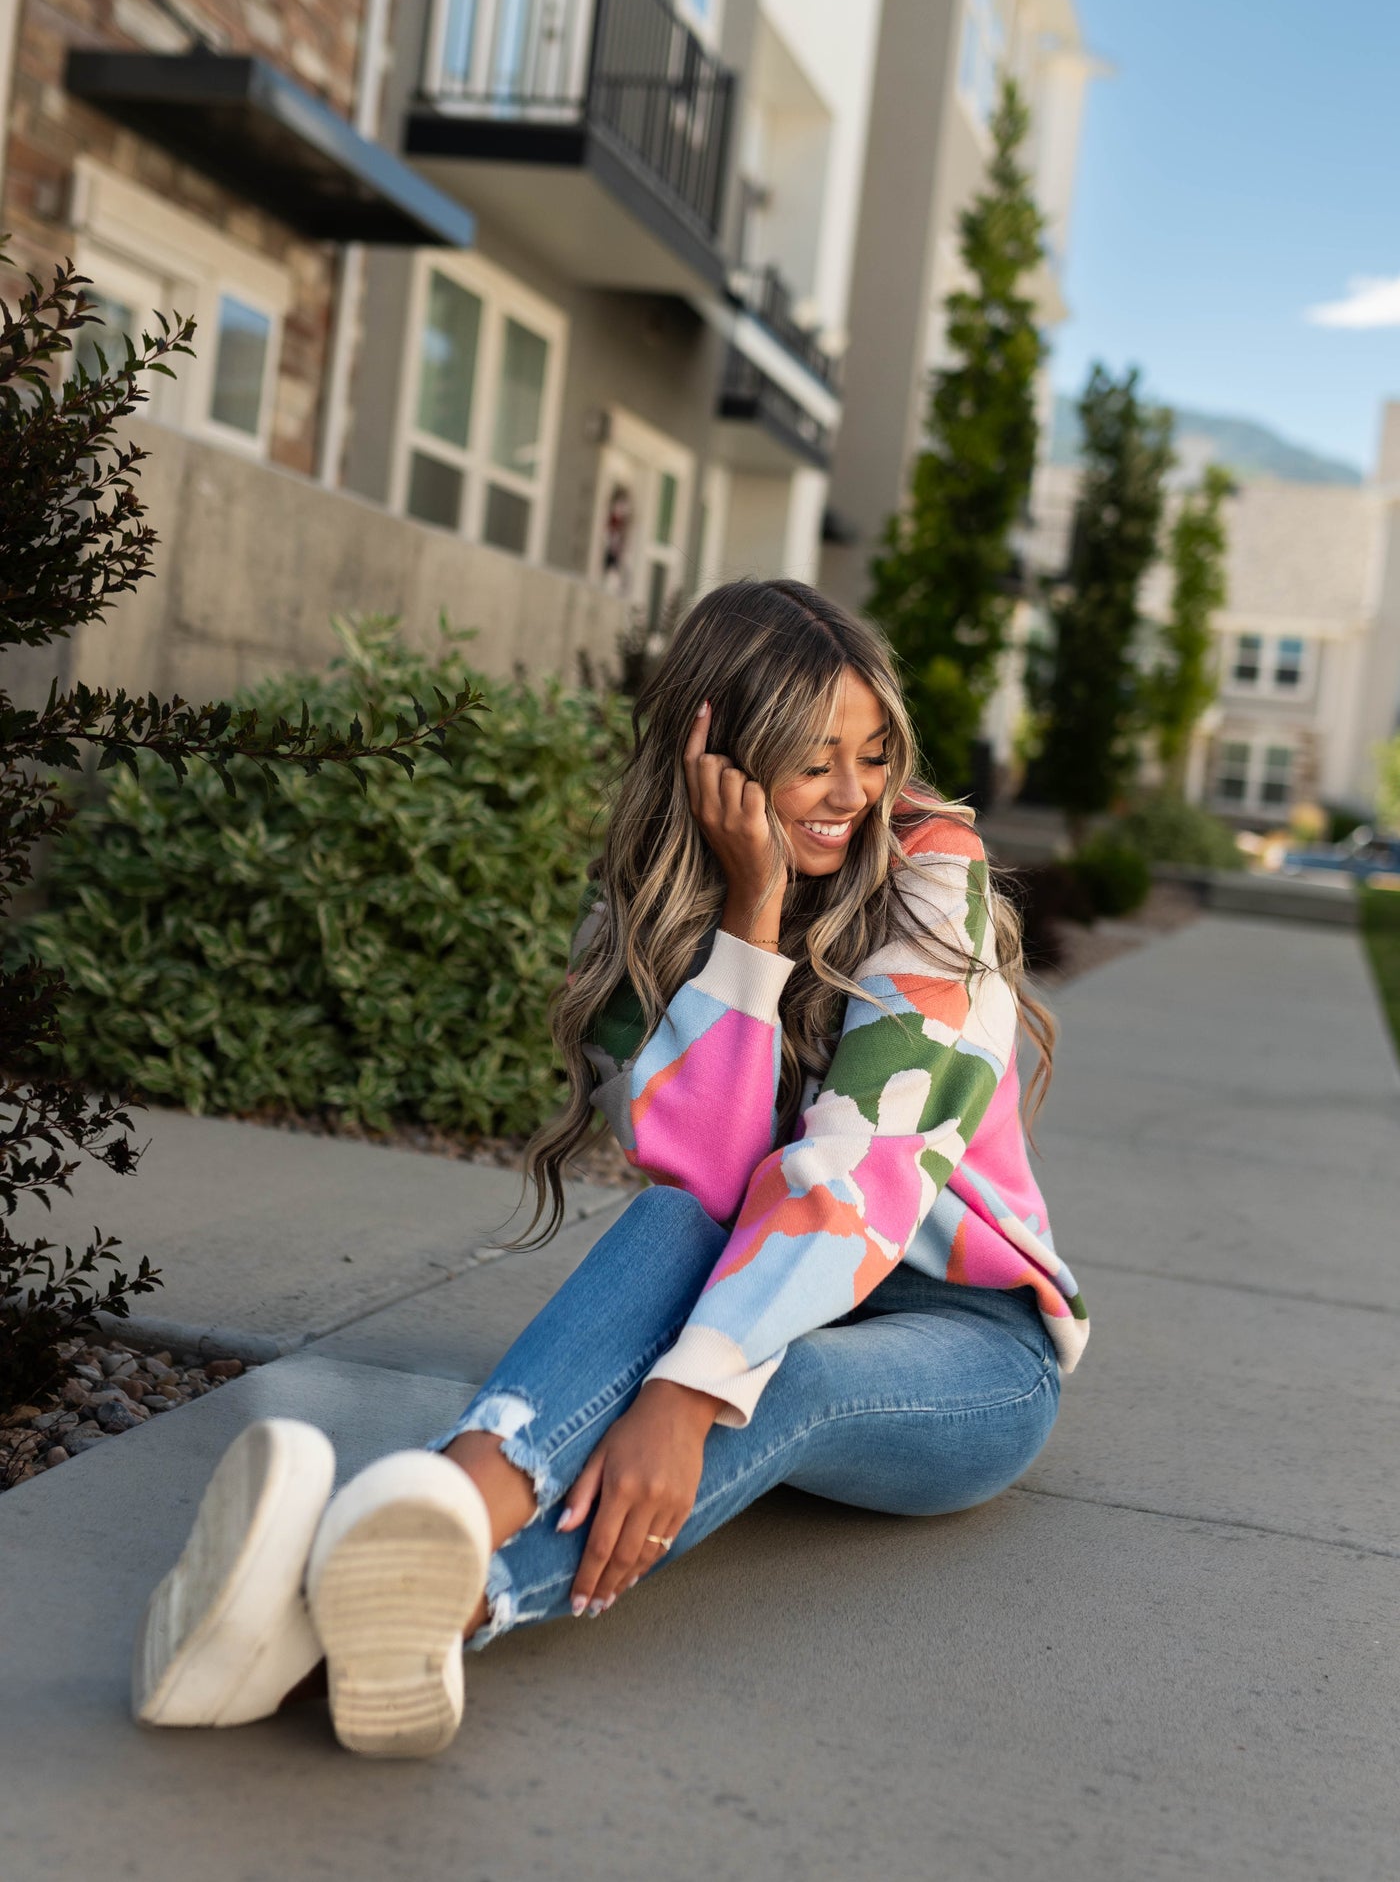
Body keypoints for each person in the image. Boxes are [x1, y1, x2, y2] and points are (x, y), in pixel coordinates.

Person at [131, 580, 1089, 1757]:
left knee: (783, 1384)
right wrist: (750, 919)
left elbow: (862, 1172)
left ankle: (390, 1593)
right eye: (812, 761)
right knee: (674, 1219)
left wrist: (687, 1391)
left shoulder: (931, 869)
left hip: (968, 1344)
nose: (855, 794)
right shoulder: (646, 909)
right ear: (717, 757)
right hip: (752, 1280)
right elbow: (712, 1174)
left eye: (873, 753)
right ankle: (420, 1535)